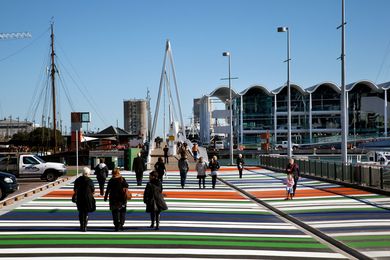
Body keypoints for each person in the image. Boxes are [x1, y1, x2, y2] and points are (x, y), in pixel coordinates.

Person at [73, 167, 96, 232]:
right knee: (86, 212)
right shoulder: (89, 180)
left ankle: (81, 225)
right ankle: (85, 226)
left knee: (81, 212)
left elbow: (75, 189)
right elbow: (93, 190)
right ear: (88, 173)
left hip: (80, 197)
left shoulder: (78, 180)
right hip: (87, 198)